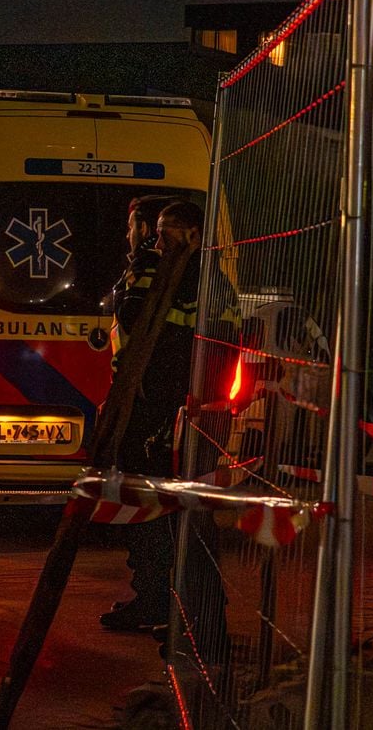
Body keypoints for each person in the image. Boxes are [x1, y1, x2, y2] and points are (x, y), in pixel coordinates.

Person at [100, 200, 209, 633]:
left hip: (163, 409)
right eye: (156, 231)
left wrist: (139, 274)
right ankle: (156, 598)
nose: (157, 240)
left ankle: (165, 604)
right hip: (153, 405)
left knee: (154, 510)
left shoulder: (191, 277)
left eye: (170, 231)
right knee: (146, 508)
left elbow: (137, 317)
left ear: (195, 236)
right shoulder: (171, 270)